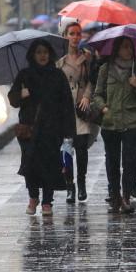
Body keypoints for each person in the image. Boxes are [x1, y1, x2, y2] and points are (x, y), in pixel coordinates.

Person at [8, 39, 76, 217]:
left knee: (49, 166)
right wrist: (21, 95)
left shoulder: (57, 75)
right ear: (33, 54)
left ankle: (47, 201)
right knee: (29, 166)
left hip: (52, 129)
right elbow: (13, 100)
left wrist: (69, 132)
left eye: (45, 52)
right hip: (29, 130)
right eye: (38, 52)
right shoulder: (24, 75)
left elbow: (67, 104)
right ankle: (33, 196)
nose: (42, 55)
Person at [91, 37, 136, 213]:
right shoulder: (105, 69)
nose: (128, 51)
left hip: (131, 121)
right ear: (116, 49)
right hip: (110, 122)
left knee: (130, 160)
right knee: (112, 161)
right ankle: (115, 196)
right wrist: (104, 108)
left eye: (130, 47)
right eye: (124, 47)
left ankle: (126, 197)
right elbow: (97, 95)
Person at [57, 18, 93, 203]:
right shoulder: (58, 61)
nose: (76, 37)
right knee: (66, 149)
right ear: (65, 36)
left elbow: (91, 81)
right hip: (64, 111)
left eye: (79, 34)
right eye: (72, 34)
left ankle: (82, 184)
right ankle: (69, 185)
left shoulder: (86, 57)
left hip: (81, 109)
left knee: (81, 149)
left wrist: (87, 96)